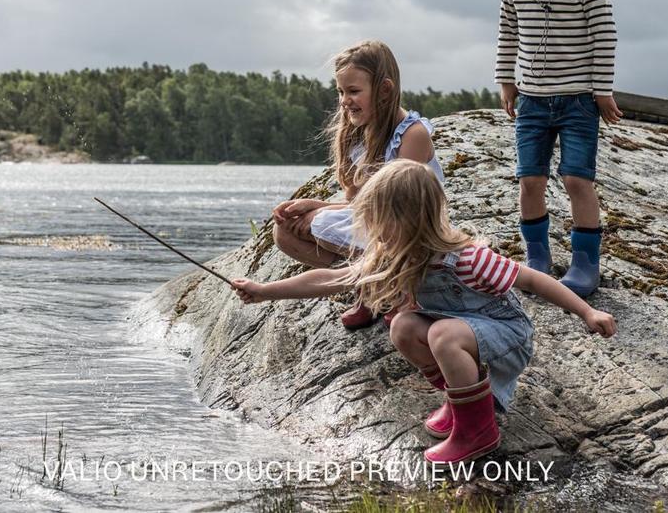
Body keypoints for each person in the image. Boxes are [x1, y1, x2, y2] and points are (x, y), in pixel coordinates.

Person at [233, 160, 616, 464]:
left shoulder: (465, 258)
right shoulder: (393, 254)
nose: (372, 233)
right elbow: (327, 280)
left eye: (378, 223)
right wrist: (266, 292)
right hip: (464, 333)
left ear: (408, 220)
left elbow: (532, 280)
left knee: (441, 334)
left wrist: (586, 312)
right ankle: (461, 401)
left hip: (504, 335)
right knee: (402, 326)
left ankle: (477, 430)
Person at [479, 0, 622, 297]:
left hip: (578, 101)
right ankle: (537, 258)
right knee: (530, 180)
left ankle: (584, 262)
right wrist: (506, 80)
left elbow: (604, 36)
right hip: (533, 101)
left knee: (578, 180)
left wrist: (601, 90)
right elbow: (507, 32)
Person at [271, 39, 444, 329]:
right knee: (285, 230)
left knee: (379, 231)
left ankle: (398, 287)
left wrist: (324, 215)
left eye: (353, 91)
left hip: (411, 232)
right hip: (377, 223)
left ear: (384, 90)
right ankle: (371, 286)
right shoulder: (355, 135)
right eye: (340, 91)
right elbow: (358, 202)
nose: (344, 100)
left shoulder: (412, 135)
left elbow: (399, 208)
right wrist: (316, 207)